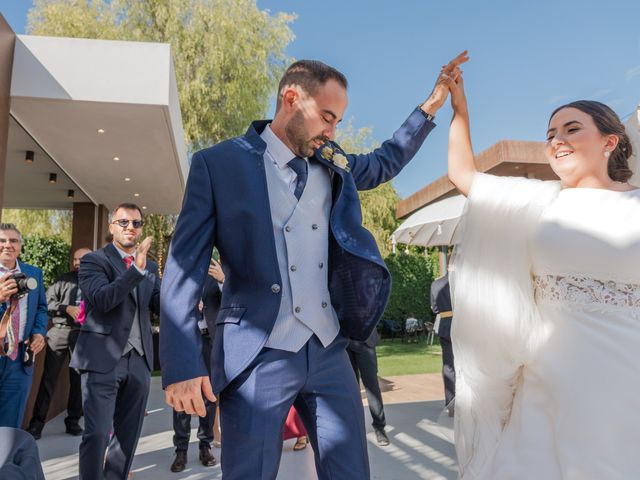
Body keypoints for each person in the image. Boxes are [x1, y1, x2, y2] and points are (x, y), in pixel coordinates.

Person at [160, 52, 467, 479]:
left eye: (338, 121)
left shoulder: (330, 159)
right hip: (256, 351)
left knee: (351, 472)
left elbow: (382, 162)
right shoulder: (217, 164)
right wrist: (182, 366)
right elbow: (184, 268)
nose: (332, 130)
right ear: (290, 99)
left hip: (328, 348)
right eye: (327, 116)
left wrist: (430, 106)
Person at [445, 54, 640, 479]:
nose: (557, 140)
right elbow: (463, 176)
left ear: (610, 142)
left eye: (572, 129)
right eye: (551, 134)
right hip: (548, 383)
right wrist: (459, 108)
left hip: (629, 379)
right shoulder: (537, 199)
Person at [70, 203, 161, 480]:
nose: (130, 228)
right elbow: (102, 299)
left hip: (139, 360)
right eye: (123, 222)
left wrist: (188, 296)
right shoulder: (94, 261)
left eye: (136, 223)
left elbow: (157, 304)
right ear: (111, 226)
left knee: (127, 436)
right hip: (101, 359)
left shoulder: (152, 265)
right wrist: (136, 270)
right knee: (97, 434)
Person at [27, 247, 92, 440]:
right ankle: (36, 426)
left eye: (82, 259)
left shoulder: (97, 280)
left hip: (83, 335)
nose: (78, 262)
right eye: (75, 259)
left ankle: (73, 422)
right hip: (59, 333)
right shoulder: (62, 279)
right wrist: (66, 308)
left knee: (78, 381)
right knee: (48, 380)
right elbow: (46, 303)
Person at [170, 259, 223, 472]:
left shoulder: (215, 271)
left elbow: (233, 300)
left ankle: (205, 445)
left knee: (209, 397)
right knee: (183, 397)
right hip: (186, 341)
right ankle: (180, 450)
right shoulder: (177, 273)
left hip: (209, 341)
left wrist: (222, 280)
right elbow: (165, 306)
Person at [0, 223, 47, 429]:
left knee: (11, 423)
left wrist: (39, 332)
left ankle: (5, 461)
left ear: (20, 246)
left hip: (19, 359)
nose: (8, 245)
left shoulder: (33, 273)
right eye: (2, 240)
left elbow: (42, 308)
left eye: (13, 240)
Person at [347, 329, 389, 446]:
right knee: (350, 389)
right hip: (344, 341)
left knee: (372, 388)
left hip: (366, 340)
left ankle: (380, 428)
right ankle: (354, 429)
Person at [430, 268, 454, 415]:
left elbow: (434, 308)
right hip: (463, 326)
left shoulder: (436, 283)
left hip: (445, 325)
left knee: (448, 365)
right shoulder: (464, 281)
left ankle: (451, 402)